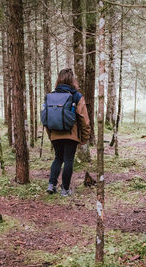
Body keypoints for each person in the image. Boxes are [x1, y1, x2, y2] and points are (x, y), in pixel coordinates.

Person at [45, 68, 91, 196]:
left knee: (58, 158)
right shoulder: (77, 96)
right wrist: (85, 137)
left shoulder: (51, 96)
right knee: (68, 160)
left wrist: (51, 135)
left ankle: (51, 185)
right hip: (71, 134)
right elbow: (84, 119)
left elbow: (46, 118)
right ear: (72, 80)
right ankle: (65, 190)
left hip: (55, 133)